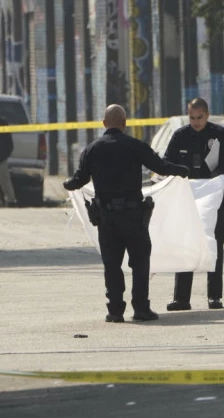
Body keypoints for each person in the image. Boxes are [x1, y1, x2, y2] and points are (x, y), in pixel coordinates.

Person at [63, 104, 189, 322]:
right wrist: (182, 170)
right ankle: (141, 308)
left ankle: (115, 310)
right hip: (133, 217)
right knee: (140, 262)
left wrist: (68, 184)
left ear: (104, 124)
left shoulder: (92, 149)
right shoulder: (135, 146)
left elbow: (79, 180)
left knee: (111, 264)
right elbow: (160, 166)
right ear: (124, 123)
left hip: (106, 218)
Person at [164, 98, 224, 311]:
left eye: (199, 117)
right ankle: (181, 298)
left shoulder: (220, 134)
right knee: (186, 244)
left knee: (214, 244)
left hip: (213, 198)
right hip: (187, 198)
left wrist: (212, 180)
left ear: (207, 115)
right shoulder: (180, 136)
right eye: (192, 118)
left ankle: (215, 296)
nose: (195, 122)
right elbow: (167, 161)